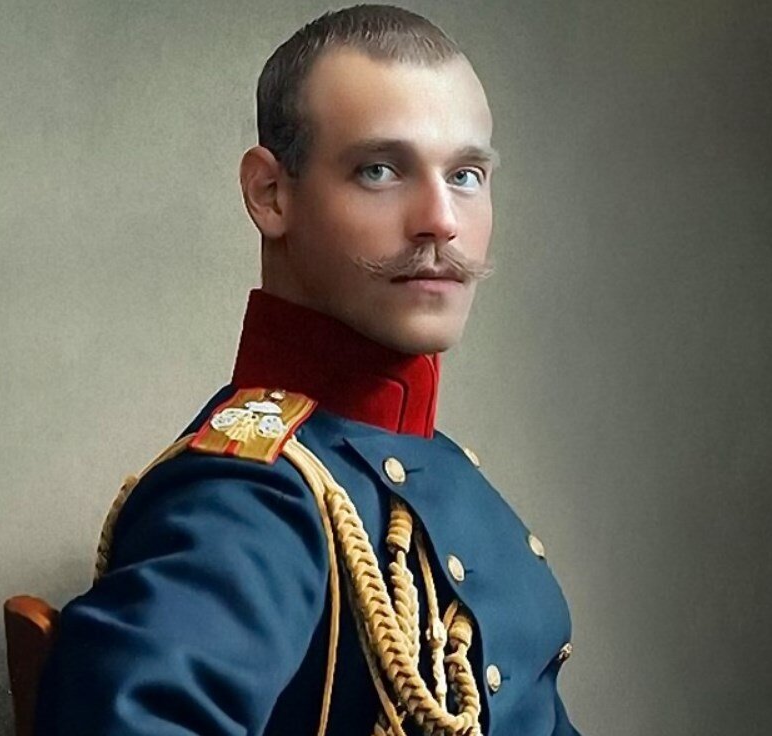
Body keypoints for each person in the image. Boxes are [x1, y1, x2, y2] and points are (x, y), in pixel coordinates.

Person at [36, 5, 581, 734]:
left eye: (466, 174)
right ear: (270, 194)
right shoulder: (252, 496)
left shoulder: (432, 460)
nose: (441, 219)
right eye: (380, 170)